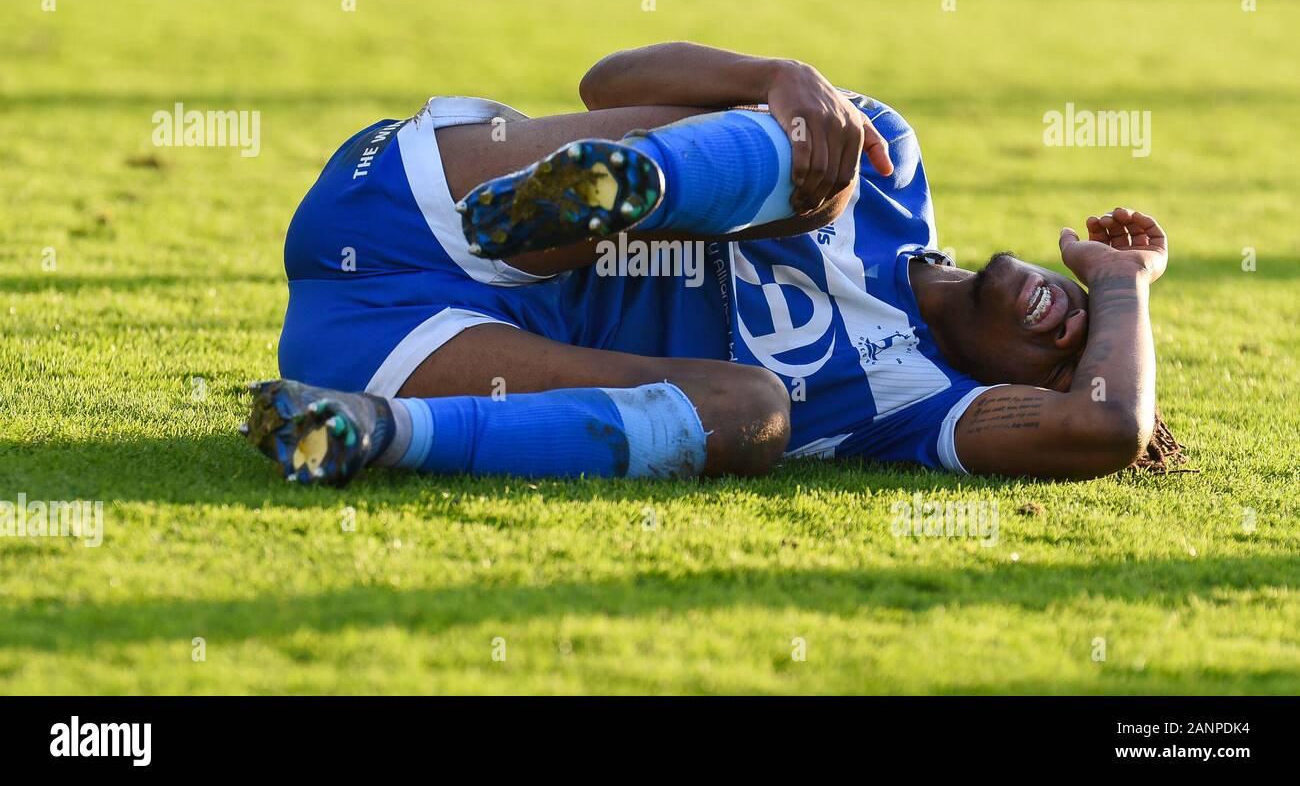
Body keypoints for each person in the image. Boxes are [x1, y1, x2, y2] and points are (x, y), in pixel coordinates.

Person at [244, 42, 1181, 485]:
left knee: (758, 414)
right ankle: (607, 193)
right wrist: (773, 78)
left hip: (392, 348)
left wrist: (1125, 285)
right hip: (430, 199)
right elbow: (608, 83)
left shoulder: (919, 406)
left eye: (1074, 347)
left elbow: (1100, 432)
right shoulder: (892, 167)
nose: (1072, 315)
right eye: (1085, 304)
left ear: (1022, 391)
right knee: (831, 168)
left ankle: (367, 433)